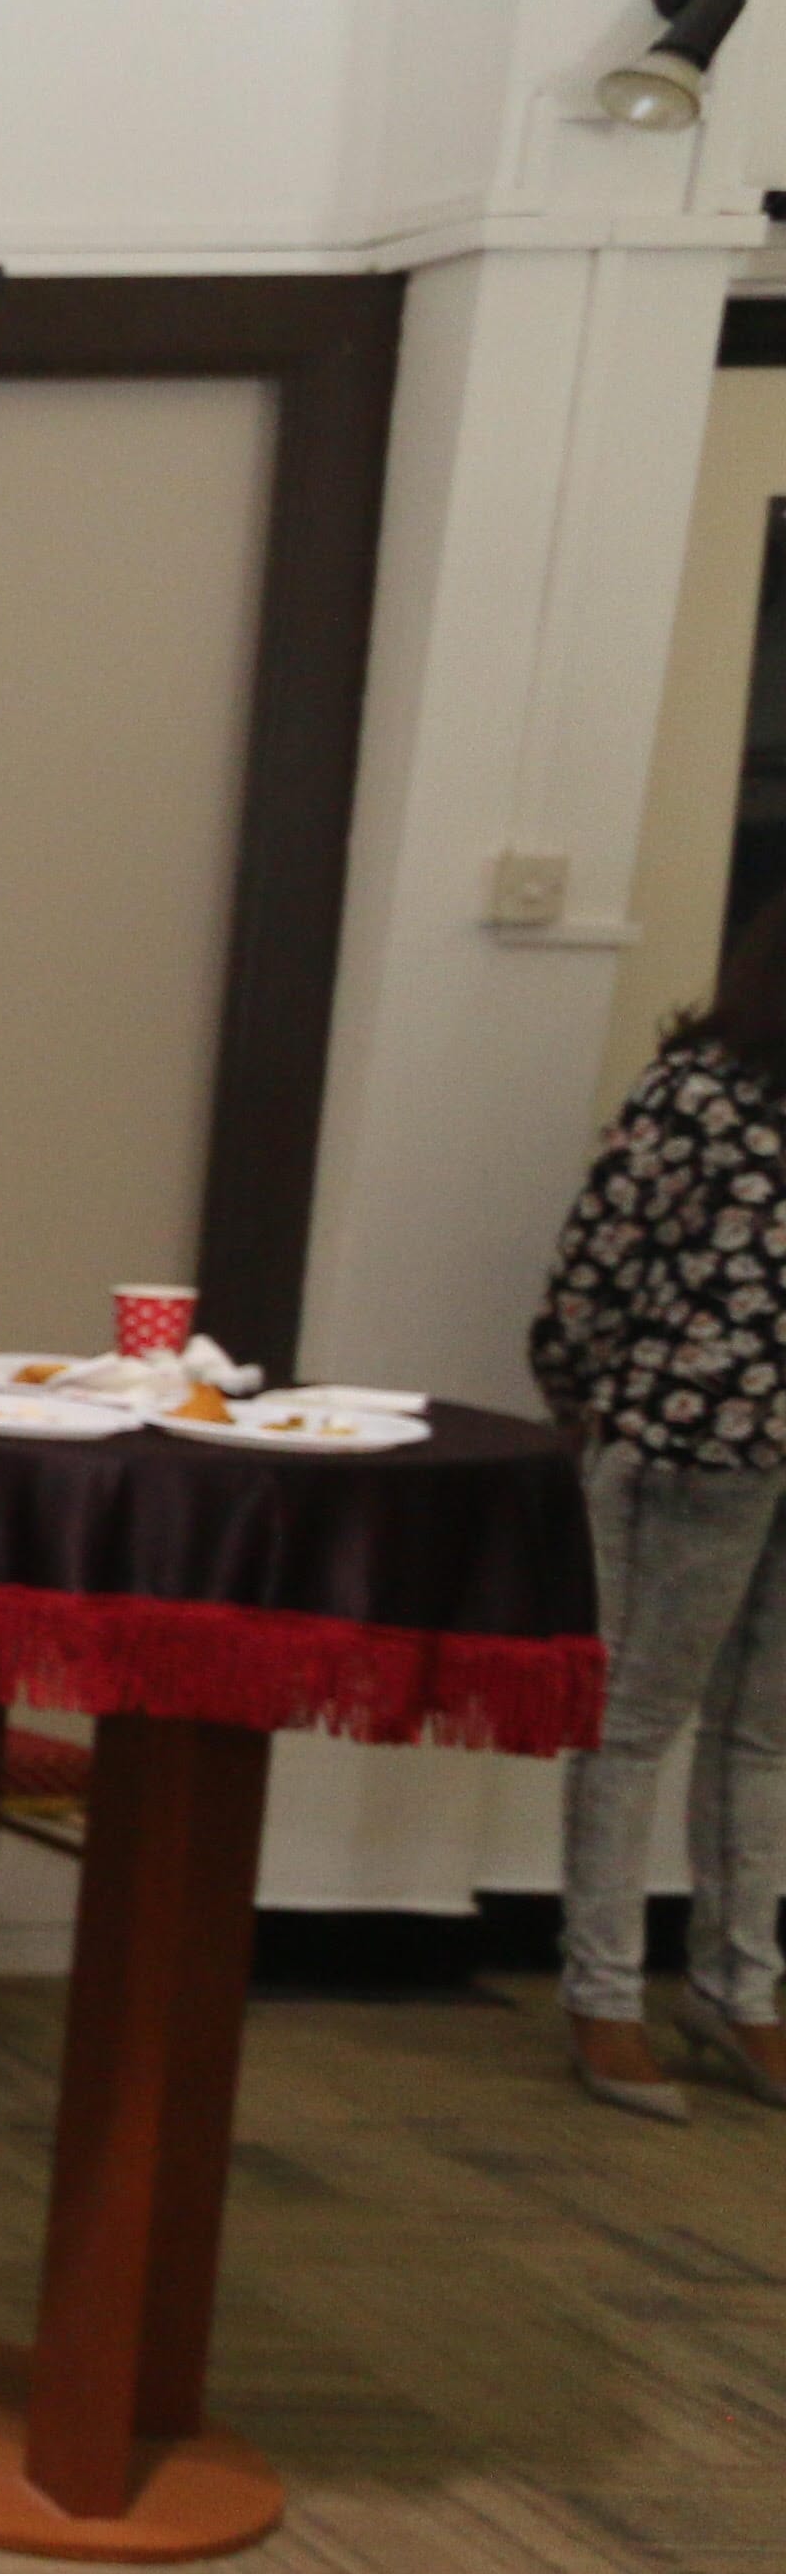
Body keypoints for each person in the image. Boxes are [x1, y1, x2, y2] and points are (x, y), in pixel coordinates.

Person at [532, 889, 786, 2119]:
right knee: (633, 1720)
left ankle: (744, 1994)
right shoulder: (698, 1092)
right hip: (689, 1444)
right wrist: (578, 1392)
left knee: (766, 1736)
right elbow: (597, 1263)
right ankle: (604, 1993)